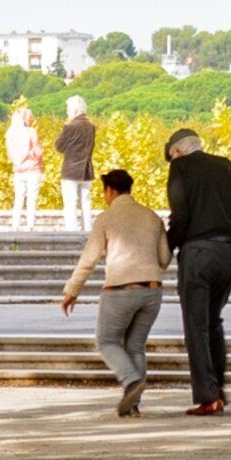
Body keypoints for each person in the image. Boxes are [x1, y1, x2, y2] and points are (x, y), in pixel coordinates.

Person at [163, 126, 231, 415]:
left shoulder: (180, 168)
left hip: (199, 253)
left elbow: (180, 216)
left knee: (196, 324)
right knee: (212, 321)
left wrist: (166, 249)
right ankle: (217, 386)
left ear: (176, 152)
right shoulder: (226, 166)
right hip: (230, 252)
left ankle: (208, 396)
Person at [59, 166, 168, 415]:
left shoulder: (106, 218)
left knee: (107, 341)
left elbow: (89, 259)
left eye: (104, 192)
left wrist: (72, 290)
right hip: (152, 291)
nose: (104, 197)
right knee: (135, 346)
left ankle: (130, 380)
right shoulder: (152, 217)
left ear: (110, 190)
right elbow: (163, 259)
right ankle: (134, 405)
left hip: (120, 290)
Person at [55, 96, 99, 229]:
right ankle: (87, 229)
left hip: (71, 170)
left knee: (70, 203)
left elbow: (59, 146)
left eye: (68, 109)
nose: (67, 112)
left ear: (74, 110)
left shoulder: (70, 127)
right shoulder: (91, 127)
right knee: (86, 202)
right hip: (86, 169)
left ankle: (72, 230)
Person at [3, 100, 43, 221]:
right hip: (32, 169)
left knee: (18, 198)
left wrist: (17, 163)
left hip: (18, 170)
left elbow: (9, 153)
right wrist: (38, 161)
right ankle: (30, 224)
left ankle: (15, 223)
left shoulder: (10, 134)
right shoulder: (31, 132)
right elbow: (38, 151)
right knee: (32, 198)